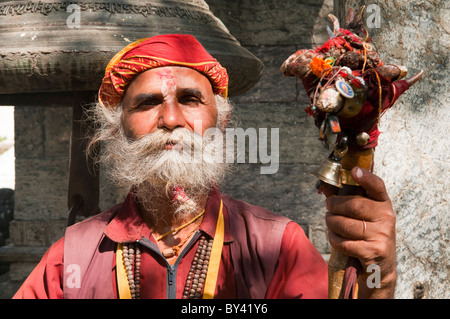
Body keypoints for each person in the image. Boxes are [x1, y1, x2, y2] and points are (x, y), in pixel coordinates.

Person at [13, 34, 396, 299]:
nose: (171, 118)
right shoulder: (73, 256)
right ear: (117, 130)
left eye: (190, 99)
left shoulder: (279, 246)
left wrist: (377, 282)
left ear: (221, 124)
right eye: (147, 103)